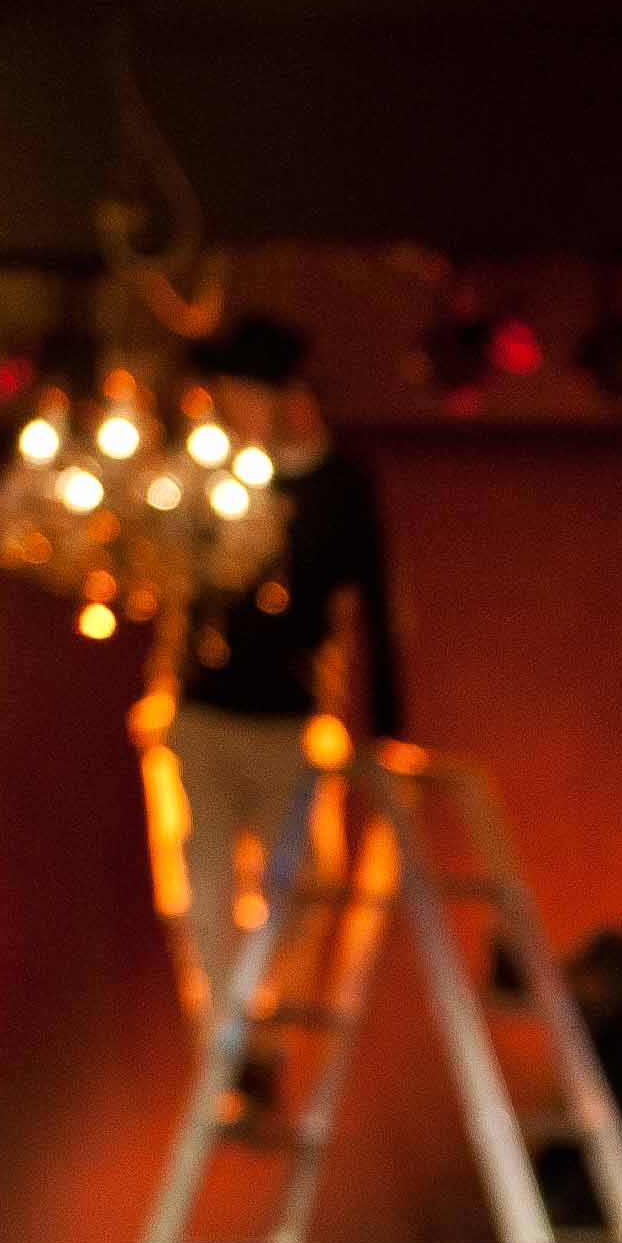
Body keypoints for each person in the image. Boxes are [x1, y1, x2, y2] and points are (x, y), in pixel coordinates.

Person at [161, 309, 402, 1089]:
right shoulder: (213, 476)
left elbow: (377, 606)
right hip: (205, 712)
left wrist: (389, 728)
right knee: (202, 887)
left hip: (290, 720)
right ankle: (224, 1044)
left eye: (242, 394)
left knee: (302, 885)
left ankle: (262, 1036)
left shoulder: (339, 488)